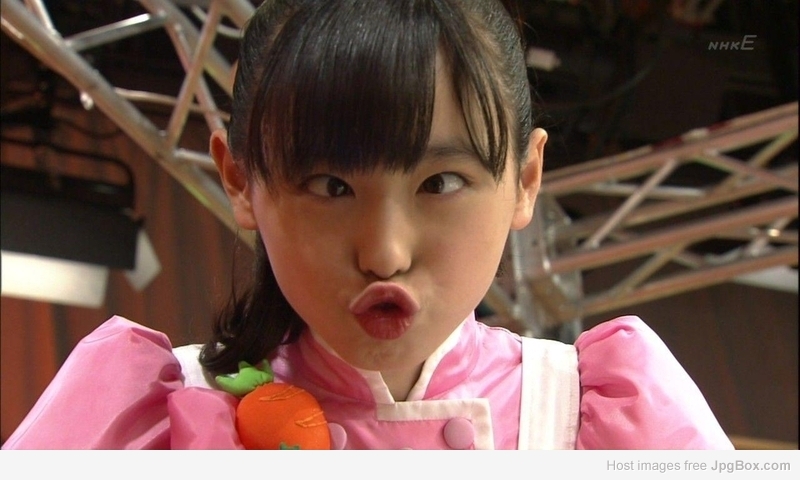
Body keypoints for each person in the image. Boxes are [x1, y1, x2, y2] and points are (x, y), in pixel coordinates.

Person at [3, 0, 733, 450]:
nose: (385, 252)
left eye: (440, 183)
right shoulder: (149, 419)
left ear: (526, 178)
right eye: (331, 186)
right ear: (240, 180)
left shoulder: (604, 415)